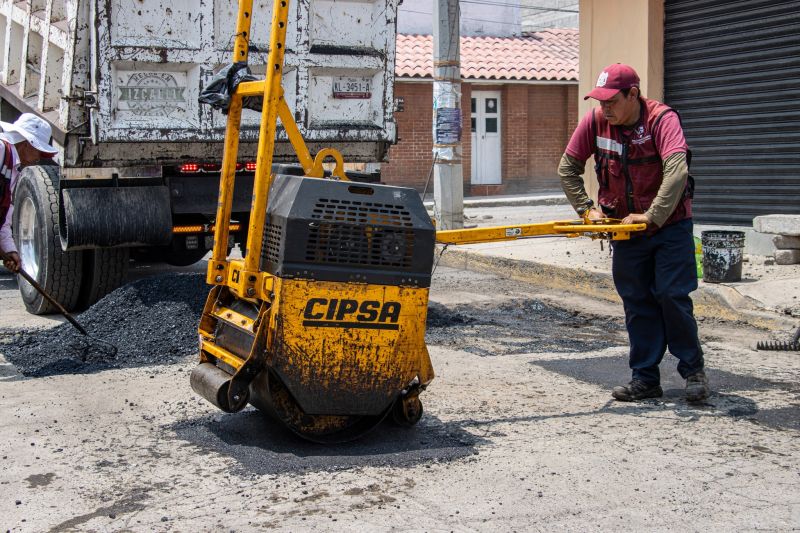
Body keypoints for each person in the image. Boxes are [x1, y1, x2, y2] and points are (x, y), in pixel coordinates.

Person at [558, 63, 709, 402]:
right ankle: (645, 378)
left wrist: (651, 216)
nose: (604, 108)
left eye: (612, 101)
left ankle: (693, 371)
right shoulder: (596, 122)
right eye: (600, 101)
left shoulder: (661, 119)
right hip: (625, 231)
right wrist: (587, 209)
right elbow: (567, 168)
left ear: (633, 95)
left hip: (670, 226)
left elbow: (677, 171)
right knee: (637, 302)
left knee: (671, 296)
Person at [0, 113, 59, 274]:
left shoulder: (13, 170)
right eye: (39, 151)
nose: (39, 158)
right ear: (27, 144)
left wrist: (9, 250)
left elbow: (3, 219)